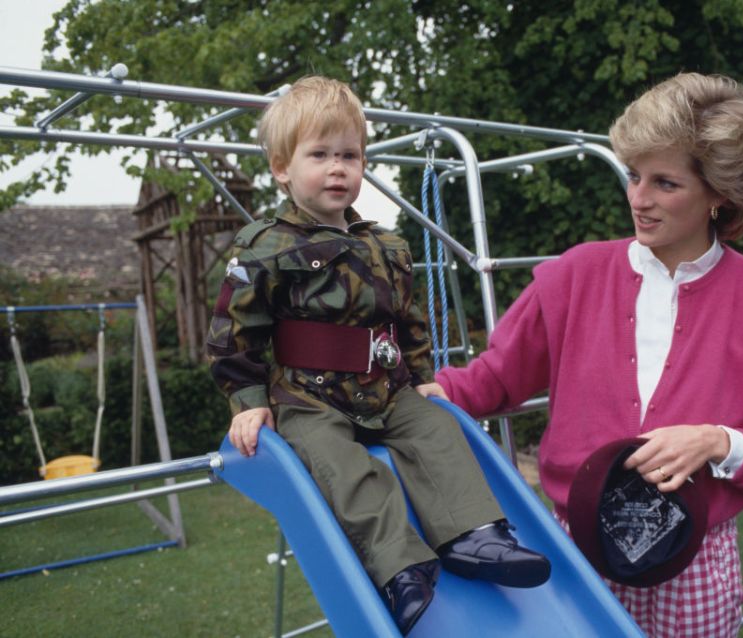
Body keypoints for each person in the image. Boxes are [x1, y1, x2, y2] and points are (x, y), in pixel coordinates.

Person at [418, 72, 743, 636]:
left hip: (697, 562)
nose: (638, 198)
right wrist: (431, 394)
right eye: (634, 175)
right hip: (574, 550)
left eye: (665, 183)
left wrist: (716, 441)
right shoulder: (572, 277)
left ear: (719, 195)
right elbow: (494, 379)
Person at [206, 75, 549, 636]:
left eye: (350, 155)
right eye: (320, 155)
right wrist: (247, 401)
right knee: (342, 465)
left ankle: (474, 535)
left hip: (385, 388)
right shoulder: (264, 245)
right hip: (308, 397)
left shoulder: (387, 245)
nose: (338, 168)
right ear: (281, 167)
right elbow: (233, 332)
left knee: (439, 430)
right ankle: (401, 567)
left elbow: (409, 324)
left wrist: (420, 378)